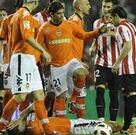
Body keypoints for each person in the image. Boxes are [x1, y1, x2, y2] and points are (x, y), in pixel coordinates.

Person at [37, 1, 107, 118]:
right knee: (60, 97)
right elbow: (36, 45)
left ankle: (73, 98)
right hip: (56, 67)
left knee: (82, 73)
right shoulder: (44, 28)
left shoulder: (69, 25)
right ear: (51, 14)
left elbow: (84, 35)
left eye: (62, 13)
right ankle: (60, 123)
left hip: (70, 61)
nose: (61, 16)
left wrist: (98, 32)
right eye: (58, 13)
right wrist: (42, 58)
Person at [0, 0, 57, 134]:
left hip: (29, 60)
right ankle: (1, 126)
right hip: (22, 58)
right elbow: (27, 37)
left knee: (39, 95)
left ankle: (48, 130)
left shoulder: (24, 16)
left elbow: (11, 40)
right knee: (20, 96)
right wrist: (43, 51)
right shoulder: (24, 14)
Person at [110, 6, 136, 134]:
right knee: (127, 97)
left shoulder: (121, 27)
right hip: (134, 67)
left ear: (116, 16)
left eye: (111, 17)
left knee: (132, 96)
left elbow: (127, 45)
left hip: (127, 68)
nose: (111, 21)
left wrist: (117, 63)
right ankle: (126, 127)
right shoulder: (133, 27)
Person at [88, 0, 119, 122]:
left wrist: (111, 33)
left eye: (108, 7)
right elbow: (96, 38)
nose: (106, 9)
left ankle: (112, 121)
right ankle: (100, 119)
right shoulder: (97, 23)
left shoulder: (117, 23)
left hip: (115, 64)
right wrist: (93, 46)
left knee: (113, 93)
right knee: (99, 90)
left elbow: (123, 37)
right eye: (104, 6)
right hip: (100, 62)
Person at [5, 102, 122, 135]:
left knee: (102, 125)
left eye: (14, 123)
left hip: (70, 124)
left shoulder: (28, 120)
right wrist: (22, 117)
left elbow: (36, 105)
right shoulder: (33, 129)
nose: (15, 123)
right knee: (102, 126)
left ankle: (123, 129)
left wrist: (22, 117)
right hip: (71, 128)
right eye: (16, 126)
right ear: (20, 130)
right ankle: (125, 129)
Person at [67, 0, 98, 119]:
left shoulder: (78, 20)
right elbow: (80, 37)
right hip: (71, 62)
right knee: (62, 97)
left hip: (74, 60)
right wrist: (75, 62)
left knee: (81, 97)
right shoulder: (74, 21)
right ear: (80, 7)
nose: (89, 7)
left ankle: (80, 125)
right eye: (87, 4)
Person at [0, 8, 8, 117]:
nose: (2, 17)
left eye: (4, 15)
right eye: (0, 15)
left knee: (4, 94)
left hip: (6, 66)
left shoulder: (10, 30)